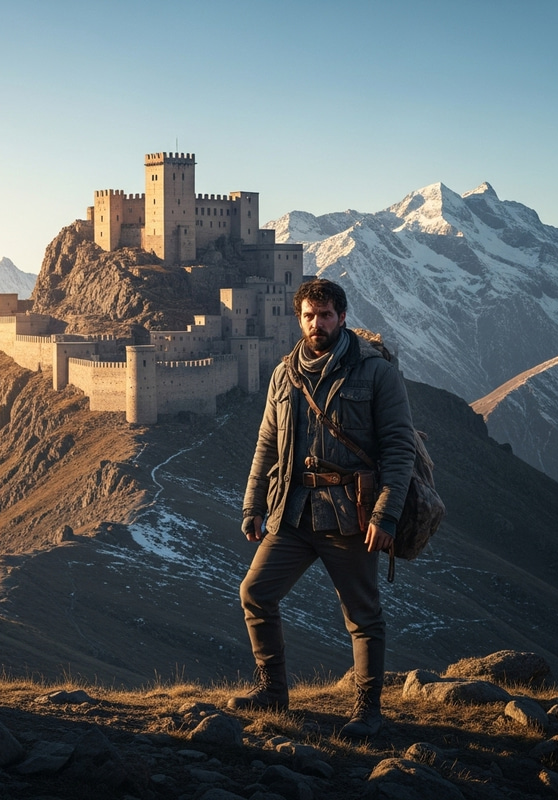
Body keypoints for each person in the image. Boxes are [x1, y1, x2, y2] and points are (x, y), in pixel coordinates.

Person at [227, 278, 416, 739]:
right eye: (309, 316)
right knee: (255, 592)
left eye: (326, 315)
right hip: (291, 512)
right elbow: (267, 444)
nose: (317, 324)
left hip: (351, 514)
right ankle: (273, 692)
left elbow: (399, 448)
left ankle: (367, 711)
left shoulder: (376, 373)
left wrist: (385, 515)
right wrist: (254, 505)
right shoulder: (283, 374)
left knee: (362, 616)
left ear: (343, 316)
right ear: (299, 319)